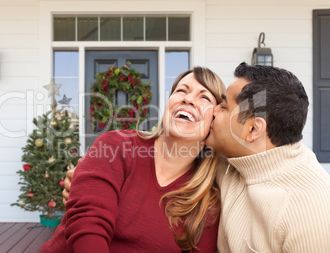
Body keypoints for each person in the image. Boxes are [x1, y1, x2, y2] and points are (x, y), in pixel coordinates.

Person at [61, 62, 330, 252]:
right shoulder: (229, 163)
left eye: (218, 104)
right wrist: (86, 184)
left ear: (252, 130)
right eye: (181, 91)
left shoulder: (310, 208)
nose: (190, 101)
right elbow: (89, 215)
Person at [41, 66, 226, 252]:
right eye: (181, 91)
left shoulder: (206, 203)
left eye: (204, 97)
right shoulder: (115, 146)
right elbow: (88, 225)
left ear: (214, 121)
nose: (188, 99)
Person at [207, 62, 330, 252]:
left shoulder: (311, 208)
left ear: (253, 129)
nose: (213, 110)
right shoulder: (233, 160)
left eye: (223, 106)